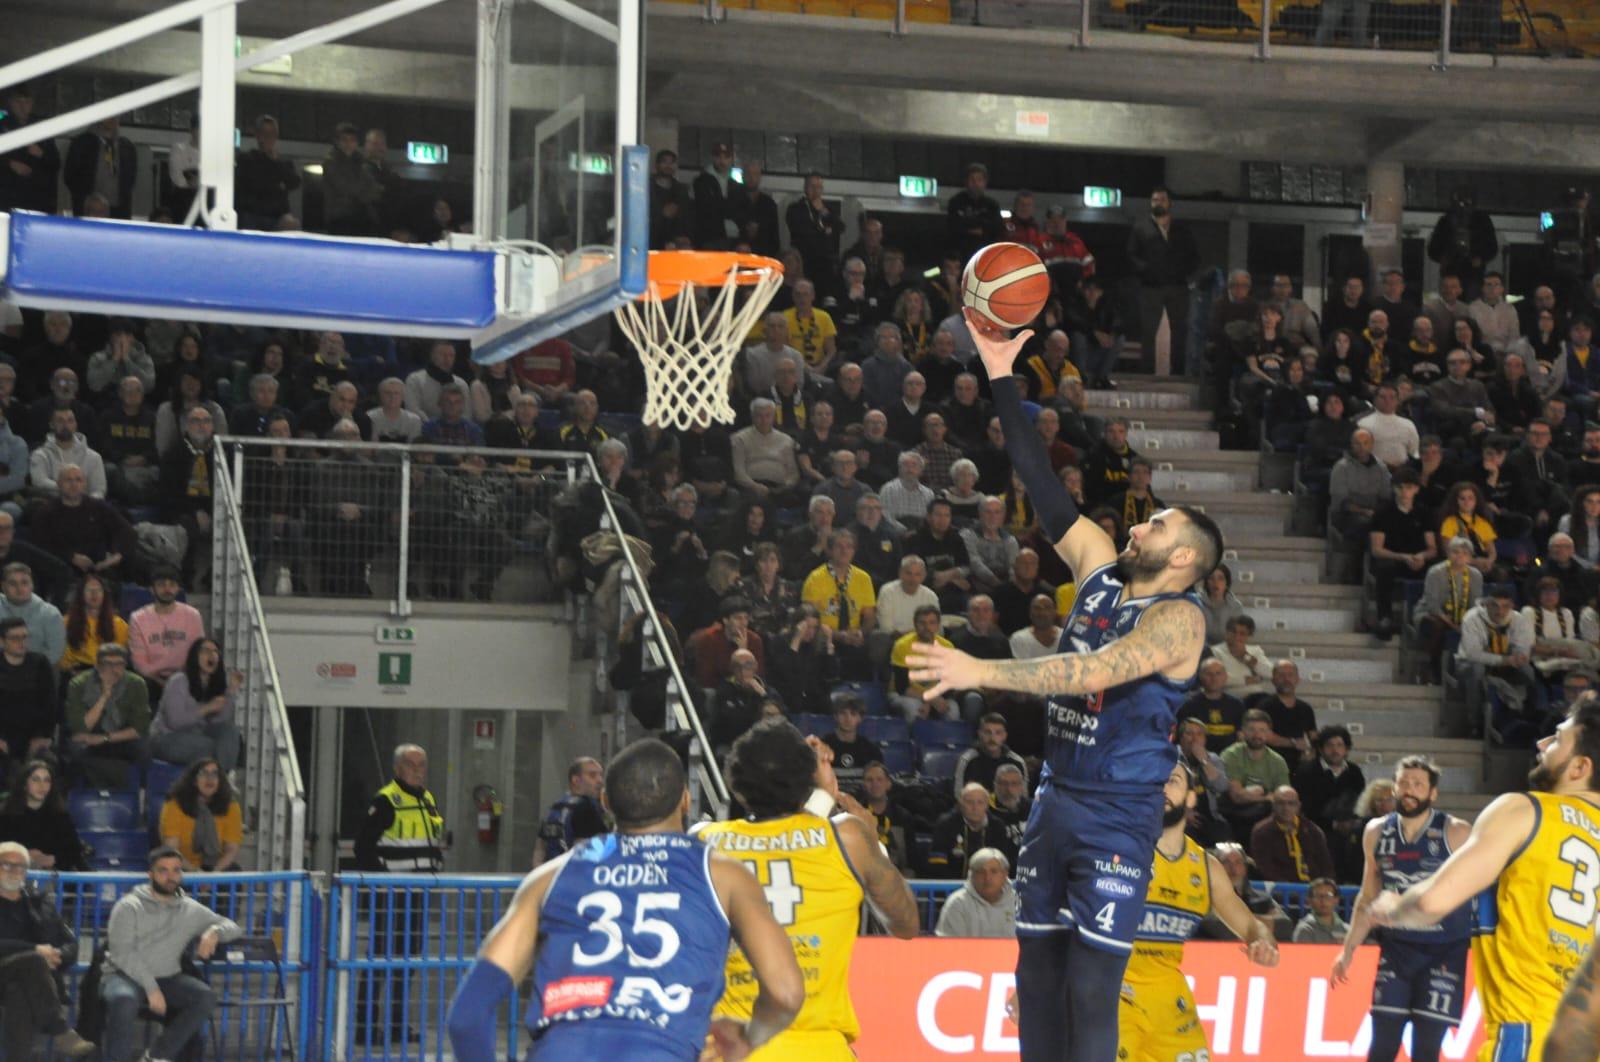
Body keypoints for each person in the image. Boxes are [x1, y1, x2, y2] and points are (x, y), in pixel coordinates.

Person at [903, 313, 1221, 1060]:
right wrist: (1002, 371)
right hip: (1056, 799)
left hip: (1119, 816)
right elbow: (1037, 479)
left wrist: (982, 670)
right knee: (1037, 978)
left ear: (1184, 561)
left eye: (1161, 525)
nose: (1143, 524)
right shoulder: (1101, 566)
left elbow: (1093, 671)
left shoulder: (1181, 622)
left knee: (1088, 991)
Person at [447, 738, 803, 1062]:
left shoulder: (549, 877)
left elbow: (467, 1015)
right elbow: (786, 993)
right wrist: (749, 1037)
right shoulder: (723, 874)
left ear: (605, 802)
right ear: (686, 799)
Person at [696, 720, 919, 1057]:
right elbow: (905, 924)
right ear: (806, 781)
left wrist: (817, 796)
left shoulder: (702, 842)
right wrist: (871, 842)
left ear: (737, 785)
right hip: (818, 1046)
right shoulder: (849, 838)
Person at [1114, 763, 1278, 1062]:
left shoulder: (1206, 867)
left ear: (1191, 798)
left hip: (1169, 998)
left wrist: (1263, 941)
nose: (1162, 788)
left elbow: (1251, 926)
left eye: (1173, 781)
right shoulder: (1120, 850)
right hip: (1114, 991)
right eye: (1156, 780)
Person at [1329, 756, 1473, 1062]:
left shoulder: (1457, 832)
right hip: (1397, 948)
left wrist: (1417, 906)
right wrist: (1348, 949)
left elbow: (1473, 889)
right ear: (1394, 787)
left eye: (1418, 784)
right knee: (1382, 1043)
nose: (1409, 790)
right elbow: (1368, 896)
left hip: (1444, 950)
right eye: (1404, 782)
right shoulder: (1376, 831)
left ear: (1432, 793)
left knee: (1426, 1049)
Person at [100, 846, 242, 1062]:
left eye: (176, 870)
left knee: (205, 996)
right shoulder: (128, 906)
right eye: (163, 870)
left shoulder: (190, 908)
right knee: (124, 1000)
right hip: (123, 975)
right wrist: (152, 988)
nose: (171, 876)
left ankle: (156, 1056)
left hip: (168, 977)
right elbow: (123, 954)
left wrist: (214, 931)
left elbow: (233, 927)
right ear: (151, 875)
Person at [0, 842, 95, 1058]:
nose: (14, 871)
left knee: (19, 994)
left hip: (31, 982)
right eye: (6, 865)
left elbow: (70, 942)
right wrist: (36, 950)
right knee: (33, 960)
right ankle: (60, 1029)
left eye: (20, 866)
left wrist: (58, 955)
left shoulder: (39, 902)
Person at [1126, 187, 1200, 373]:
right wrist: (1147, 271)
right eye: (1155, 200)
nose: (1158, 203)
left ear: (1169, 203)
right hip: (1151, 286)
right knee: (1148, 331)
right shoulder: (1141, 228)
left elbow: (1193, 255)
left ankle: (1179, 371)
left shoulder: (1181, 229)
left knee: (1180, 330)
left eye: (1162, 200)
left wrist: (1186, 273)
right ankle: (1147, 371)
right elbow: (1131, 256)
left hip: (1178, 285)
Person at [63, 643, 149, 789]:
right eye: (108, 664)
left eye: (119, 664)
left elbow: (140, 727)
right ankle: (77, 796)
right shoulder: (78, 684)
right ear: (97, 665)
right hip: (89, 736)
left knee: (144, 749)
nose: (114, 670)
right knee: (75, 749)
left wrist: (105, 738)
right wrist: (104, 697)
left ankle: (141, 798)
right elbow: (80, 728)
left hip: (121, 736)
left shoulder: (136, 684)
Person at [150, 637, 242, 773]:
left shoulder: (214, 684)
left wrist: (231, 692)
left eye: (215, 652)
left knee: (231, 732)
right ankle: (220, 781)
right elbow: (174, 722)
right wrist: (206, 708)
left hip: (196, 735)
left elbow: (219, 721)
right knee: (210, 747)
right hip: (166, 737)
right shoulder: (179, 681)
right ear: (194, 656)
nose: (211, 655)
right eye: (205, 651)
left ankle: (221, 780)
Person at [128, 567, 206, 691]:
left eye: (172, 585)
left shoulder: (193, 615)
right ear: (152, 589)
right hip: (151, 680)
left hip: (185, 678)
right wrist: (160, 681)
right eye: (161, 585)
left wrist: (180, 680)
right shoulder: (138, 618)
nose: (167, 589)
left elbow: (199, 652)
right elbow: (139, 662)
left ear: (178, 588)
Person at [158, 757, 242, 872]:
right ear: (193, 780)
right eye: (204, 773)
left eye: (215, 774)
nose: (210, 778)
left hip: (216, 868)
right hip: (183, 866)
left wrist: (214, 874)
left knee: (234, 872)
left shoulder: (231, 807)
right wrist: (196, 873)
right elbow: (171, 849)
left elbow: (231, 850)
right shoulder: (174, 805)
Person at [0, 761, 84, 872]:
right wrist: (23, 855)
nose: (42, 785)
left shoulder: (61, 816)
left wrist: (53, 859)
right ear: (24, 784)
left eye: (47, 780)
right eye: (35, 779)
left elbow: (74, 851)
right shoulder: (6, 815)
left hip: (54, 874)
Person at [0, 619, 57, 777]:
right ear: (2, 641)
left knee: (48, 762)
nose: (21, 642)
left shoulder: (40, 663)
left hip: (33, 735)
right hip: (3, 735)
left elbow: (50, 705)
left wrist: (42, 736)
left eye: (24, 637)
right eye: (15, 638)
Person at [1249, 785, 1335, 883]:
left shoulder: (1313, 831)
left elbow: (1326, 866)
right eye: (1281, 803)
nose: (1286, 808)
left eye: (1291, 803)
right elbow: (1265, 868)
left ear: (1298, 806)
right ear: (1273, 805)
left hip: (1313, 891)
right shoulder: (1262, 832)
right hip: (1280, 891)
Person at [531, 756, 606, 866]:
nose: (600, 781)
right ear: (576, 780)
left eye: (601, 775)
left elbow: (539, 850)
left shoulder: (555, 808)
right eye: (592, 775)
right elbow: (587, 854)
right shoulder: (587, 808)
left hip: (552, 874)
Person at [934, 848, 1017, 938]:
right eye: (981, 872)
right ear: (971, 875)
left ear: (1005, 875)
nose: (987, 878)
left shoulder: (1019, 902)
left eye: (994, 871)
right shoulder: (957, 904)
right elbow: (948, 946)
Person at [0, 563, 64, 668]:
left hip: (36, 671)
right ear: (3, 586)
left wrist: (26, 668)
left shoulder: (50, 613)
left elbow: (55, 652)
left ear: (32, 585)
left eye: (24, 583)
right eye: (12, 583)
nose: (19, 588)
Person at [953, 713, 1028, 798]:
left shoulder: (1017, 762)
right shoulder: (967, 760)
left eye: (998, 733)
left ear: (1004, 736)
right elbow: (959, 797)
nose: (992, 738)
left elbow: (1023, 798)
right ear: (979, 734)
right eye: (987, 732)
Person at [821, 694, 882, 784]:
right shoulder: (823, 746)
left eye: (853, 714)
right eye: (843, 713)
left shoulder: (871, 750)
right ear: (835, 716)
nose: (848, 719)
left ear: (860, 718)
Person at [1293, 877, 1351, 943]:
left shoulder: (1347, 930)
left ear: (1336, 900)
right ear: (1309, 900)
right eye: (1318, 896)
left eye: (1328, 895)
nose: (1323, 900)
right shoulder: (1305, 929)